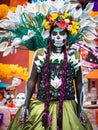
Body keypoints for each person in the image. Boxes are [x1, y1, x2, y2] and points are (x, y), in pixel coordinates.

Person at [6, 1, 97, 130]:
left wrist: (80, 108)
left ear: (67, 36)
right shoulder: (40, 53)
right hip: (42, 107)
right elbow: (31, 81)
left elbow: (80, 84)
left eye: (62, 34)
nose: (58, 38)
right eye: (54, 34)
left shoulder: (74, 55)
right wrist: (25, 106)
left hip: (68, 108)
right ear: (49, 36)